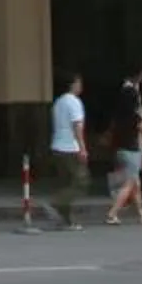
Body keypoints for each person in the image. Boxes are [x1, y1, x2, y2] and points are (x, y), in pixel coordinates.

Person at [102, 69, 142, 224]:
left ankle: (141, 213)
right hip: (132, 151)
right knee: (129, 184)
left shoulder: (118, 117)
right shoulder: (136, 118)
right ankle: (112, 213)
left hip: (120, 150)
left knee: (135, 183)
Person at [47, 73, 87, 231]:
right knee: (80, 181)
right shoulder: (74, 102)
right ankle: (56, 203)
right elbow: (77, 126)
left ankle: (65, 220)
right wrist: (82, 148)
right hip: (69, 148)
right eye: (79, 83)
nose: (80, 86)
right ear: (72, 84)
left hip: (57, 146)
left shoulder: (58, 102)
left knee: (65, 183)